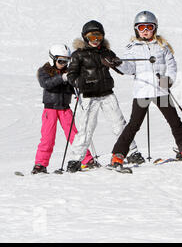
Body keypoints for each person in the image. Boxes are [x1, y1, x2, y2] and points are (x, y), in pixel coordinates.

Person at [110, 11, 182, 169]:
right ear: (136, 29)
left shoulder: (162, 46)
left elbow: (171, 66)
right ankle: (119, 154)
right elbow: (129, 68)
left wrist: (168, 81)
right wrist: (119, 64)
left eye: (149, 27)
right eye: (141, 27)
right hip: (142, 91)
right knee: (134, 125)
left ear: (154, 28)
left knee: (174, 120)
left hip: (160, 90)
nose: (145, 30)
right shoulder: (132, 48)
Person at [66, 20, 141, 172]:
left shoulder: (106, 52)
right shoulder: (78, 55)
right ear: (84, 37)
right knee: (86, 127)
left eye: (98, 36)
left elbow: (121, 69)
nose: (95, 40)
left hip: (107, 93)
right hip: (89, 96)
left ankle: (132, 152)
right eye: (91, 37)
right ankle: (75, 159)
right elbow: (71, 74)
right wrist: (79, 82)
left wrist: (117, 63)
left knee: (119, 123)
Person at [33, 44, 94, 174]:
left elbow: (74, 86)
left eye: (67, 61)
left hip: (65, 109)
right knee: (48, 138)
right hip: (50, 110)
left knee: (75, 135)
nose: (63, 64)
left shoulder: (68, 72)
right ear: (52, 59)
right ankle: (40, 164)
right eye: (61, 61)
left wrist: (77, 85)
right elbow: (46, 84)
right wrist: (62, 78)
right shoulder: (44, 71)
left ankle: (86, 159)